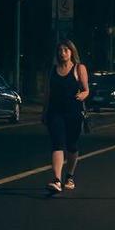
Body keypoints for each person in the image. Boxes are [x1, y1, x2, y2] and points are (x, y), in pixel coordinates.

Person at [44, 39, 89, 193]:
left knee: (72, 145)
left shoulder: (79, 68)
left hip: (73, 112)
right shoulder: (52, 70)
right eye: (60, 50)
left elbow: (86, 89)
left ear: (71, 52)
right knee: (57, 143)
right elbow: (48, 93)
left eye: (65, 50)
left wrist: (83, 95)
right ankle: (57, 179)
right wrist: (44, 112)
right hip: (55, 112)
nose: (62, 53)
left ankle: (69, 176)